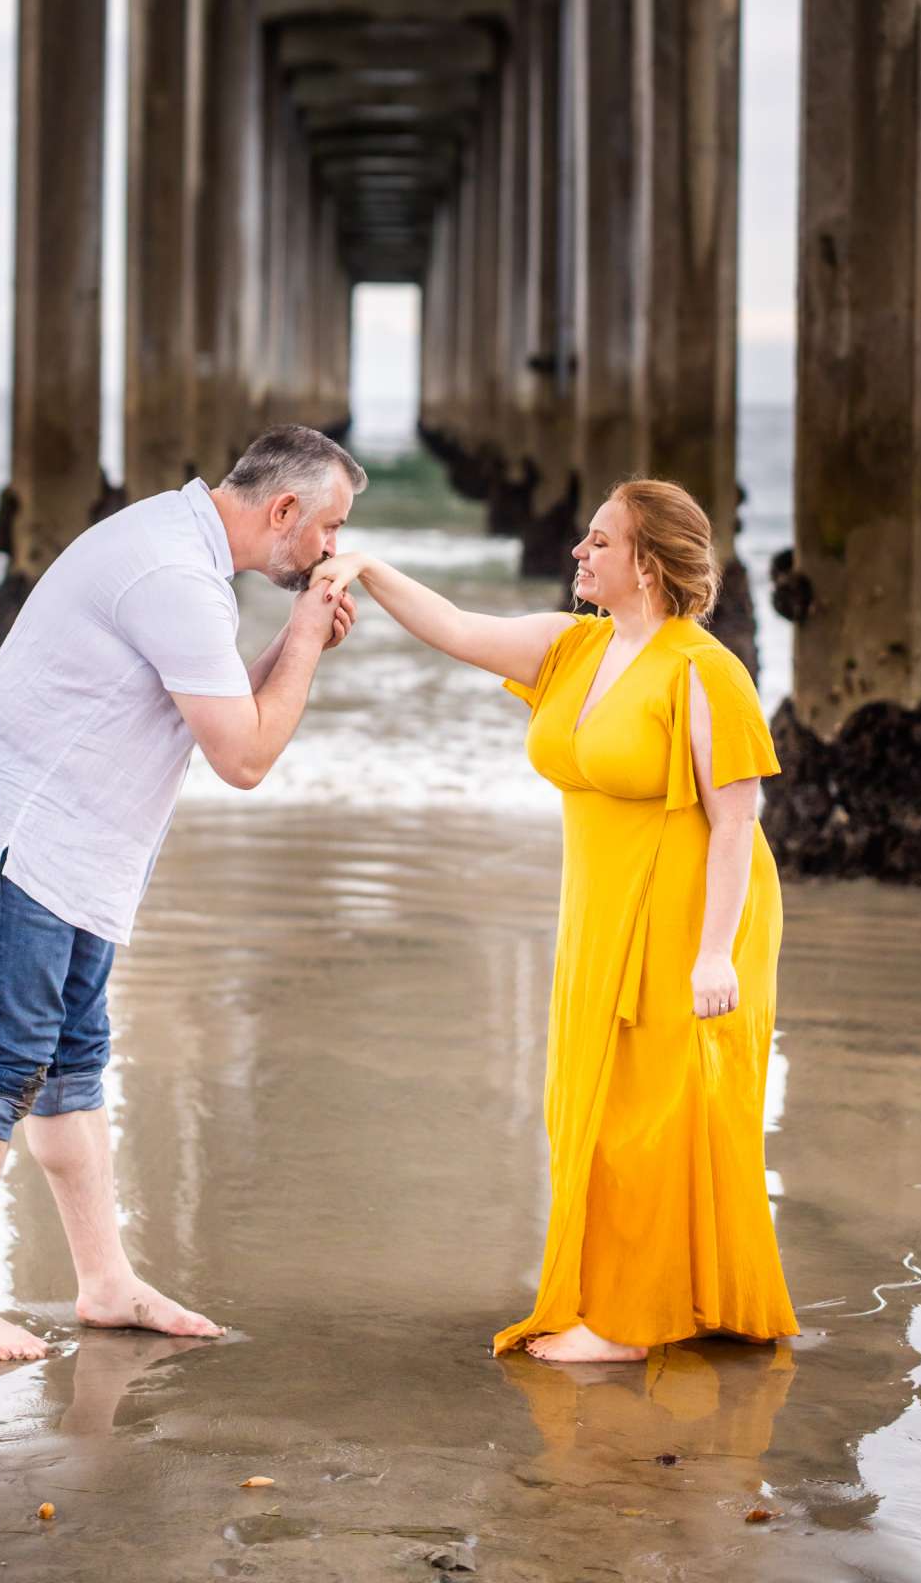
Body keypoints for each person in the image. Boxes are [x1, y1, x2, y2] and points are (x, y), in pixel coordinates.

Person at [0, 424, 366, 1362]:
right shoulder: (174, 576)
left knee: (72, 1064)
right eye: (328, 529)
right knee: (0, 1066)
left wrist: (290, 641)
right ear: (283, 511)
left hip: (72, 851)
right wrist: (309, 643)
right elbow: (242, 757)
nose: (329, 550)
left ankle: (105, 1283)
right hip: (17, 841)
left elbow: (214, 701)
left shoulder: (177, 548)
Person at [314, 477, 797, 1363]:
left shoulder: (704, 671)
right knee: (586, 1104)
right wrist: (371, 569)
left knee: (650, 1112)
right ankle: (650, 1297)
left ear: (648, 564)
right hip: (597, 911)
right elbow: (456, 628)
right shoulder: (570, 647)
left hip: (687, 915)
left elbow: (737, 819)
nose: (579, 551)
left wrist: (713, 955)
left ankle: (626, 1321)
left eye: (600, 541)